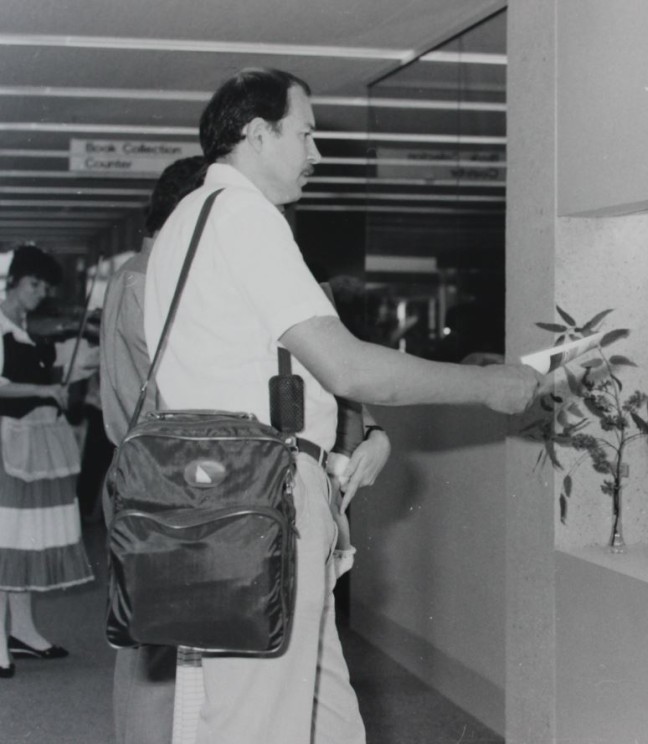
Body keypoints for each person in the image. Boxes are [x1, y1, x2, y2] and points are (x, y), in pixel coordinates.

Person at [140, 68, 539, 743]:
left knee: (325, 718)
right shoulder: (244, 218)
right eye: (308, 134)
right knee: (259, 724)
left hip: (218, 490)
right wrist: (487, 386)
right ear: (258, 135)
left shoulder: (189, 220)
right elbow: (348, 365)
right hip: (260, 496)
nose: (318, 154)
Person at [99, 154, 205, 743]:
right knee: (156, 647)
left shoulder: (130, 274)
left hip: (135, 469)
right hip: (164, 476)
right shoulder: (156, 281)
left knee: (145, 640)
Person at [0, 245, 96, 679]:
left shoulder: (26, 329)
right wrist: (42, 391)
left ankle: (21, 628)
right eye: (33, 283)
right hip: (7, 446)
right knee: (6, 538)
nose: (39, 293)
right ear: (13, 281)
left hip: (33, 445)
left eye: (44, 286)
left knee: (26, 536)